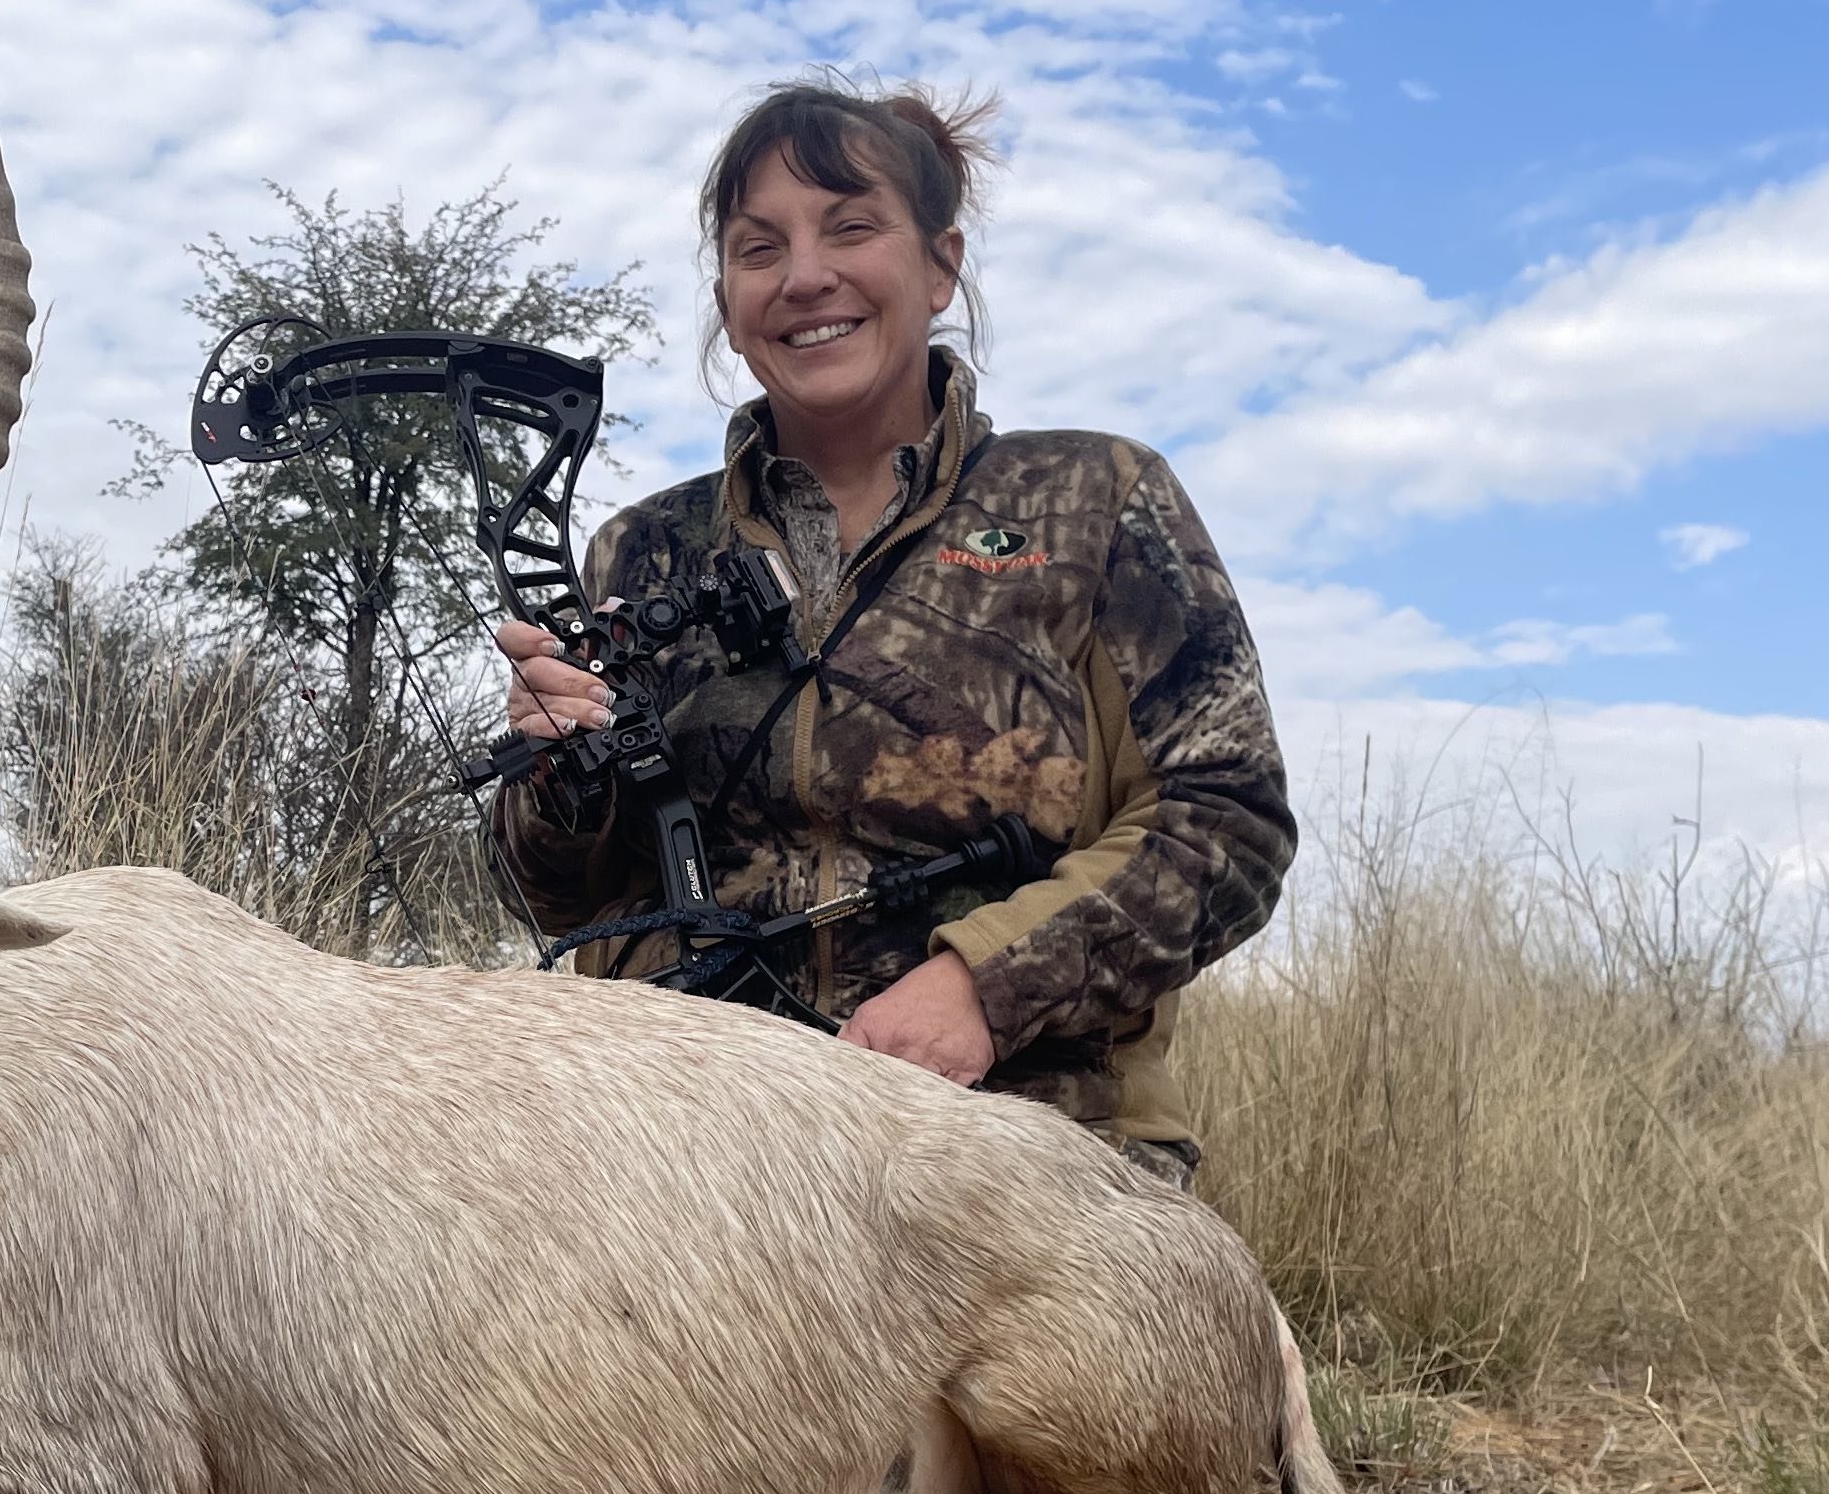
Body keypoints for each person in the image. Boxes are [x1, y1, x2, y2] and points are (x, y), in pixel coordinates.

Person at [491, 80, 1293, 1188]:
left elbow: (1228, 825)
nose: (804, 276)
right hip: (682, 1160)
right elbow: (557, 898)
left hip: (1027, 1146)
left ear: (941, 265)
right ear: (727, 300)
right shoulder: (641, 551)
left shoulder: (1096, 500)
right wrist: (555, 775)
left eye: (851, 228)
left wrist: (985, 988)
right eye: (757, 247)